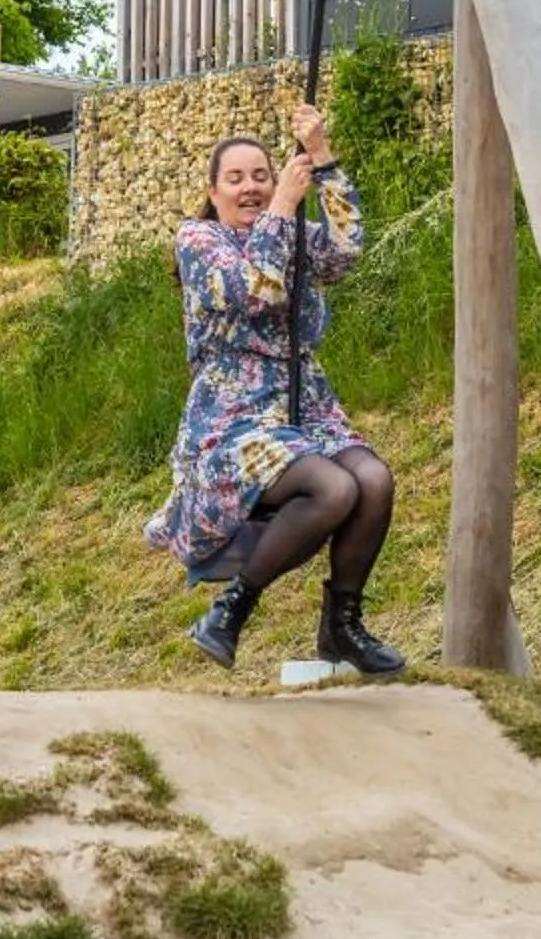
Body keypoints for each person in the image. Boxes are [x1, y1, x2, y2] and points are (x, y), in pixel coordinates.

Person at [144, 102, 404, 675]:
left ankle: (342, 626)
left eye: (262, 175)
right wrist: (285, 204)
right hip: (233, 420)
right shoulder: (199, 241)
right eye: (235, 179)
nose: (252, 188)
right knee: (334, 490)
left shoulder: (291, 234)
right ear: (213, 192)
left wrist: (324, 158)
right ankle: (231, 609)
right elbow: (255, 291)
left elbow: (345, 251)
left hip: (304, 404)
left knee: (374, 481)